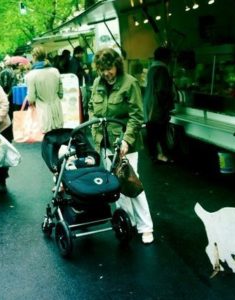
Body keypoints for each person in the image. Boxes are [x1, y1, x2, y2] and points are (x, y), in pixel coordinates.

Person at [88, 48, 154, 244]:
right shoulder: (97, 83)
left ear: (116, 65)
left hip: (126, 143)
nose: (106, 73)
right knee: (116, 185)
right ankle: (128, 221)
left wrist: (127, 140)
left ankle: (146, 227)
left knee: (132, 183)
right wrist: (96, 134)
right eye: (102, 69)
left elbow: (137, 116)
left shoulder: (130, 83)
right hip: (105, 142)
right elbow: (92, 109)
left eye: (109, 68)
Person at [143, 46, 175, 163]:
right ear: (165, 57)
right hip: (156, 107)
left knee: (152, 132)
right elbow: (162, 91)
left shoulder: (152, 68)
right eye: (170, 57)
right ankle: (159, 155)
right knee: (159, 132)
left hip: (149, 105)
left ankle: (154, 155)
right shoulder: (162, 70)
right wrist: (167, 107)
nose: (171, 59)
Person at [25, 46, 64, 133]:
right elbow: (61, 93)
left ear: (34, 57)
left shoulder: (31, 75)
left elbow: (31, 98)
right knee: (60, 136)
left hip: (43, 111)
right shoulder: (55, 71)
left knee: (48, 138)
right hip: (57, 108)